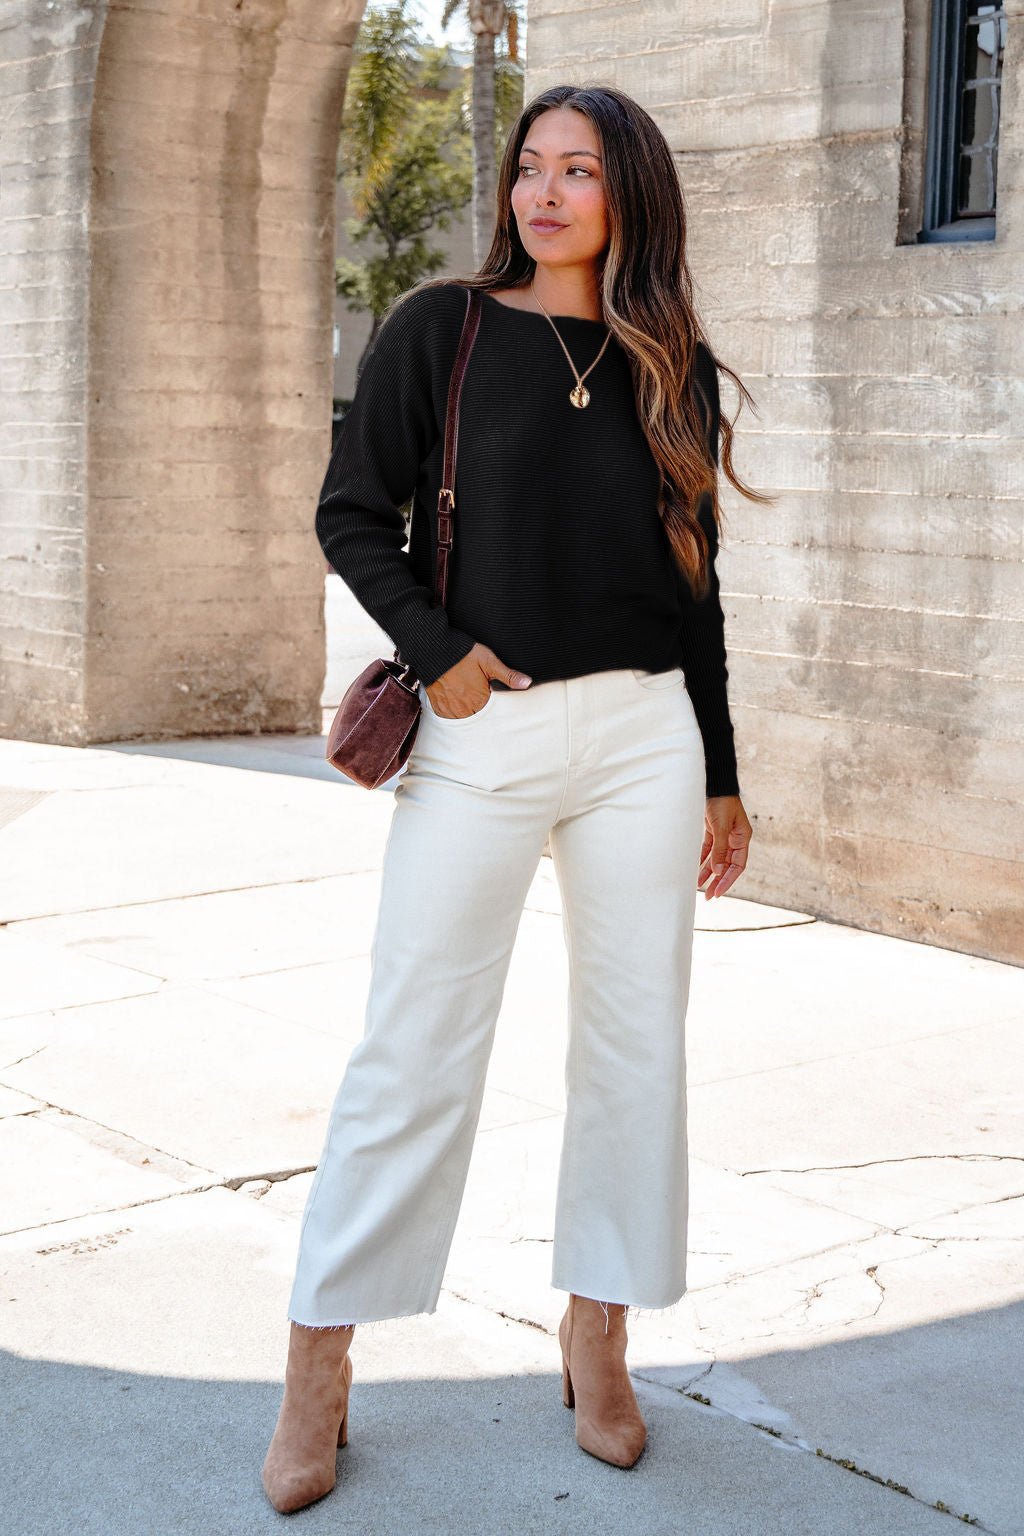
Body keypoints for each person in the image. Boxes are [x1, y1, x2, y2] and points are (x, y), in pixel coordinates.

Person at [263, 81, 763, 1515]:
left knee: (633, 1045)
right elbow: (353, 510)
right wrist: (438, 655)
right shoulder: (446, 329)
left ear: (629, 197)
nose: (544, 194)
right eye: (530, 168)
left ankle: (597, 1333)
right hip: (488, 732)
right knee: (414, 1044)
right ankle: (319, 1358)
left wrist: (722, 769)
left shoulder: (672, 358)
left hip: (645, 742)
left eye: (579, 172)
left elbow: (699, 588)